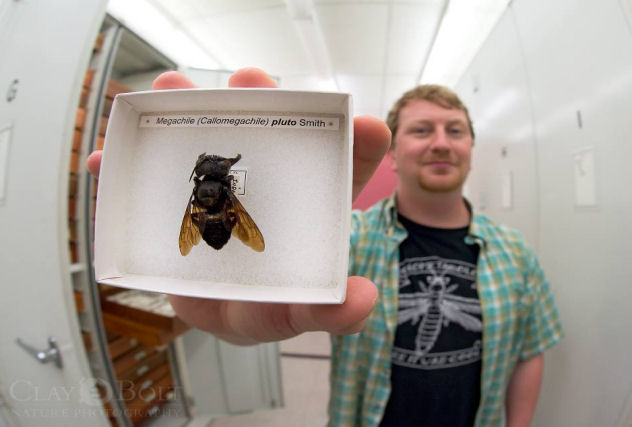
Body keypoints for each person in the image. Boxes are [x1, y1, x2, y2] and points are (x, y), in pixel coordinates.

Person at [87, 68, 563, 427]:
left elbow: (530, 349)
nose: (441, 143)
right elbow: (282, 285)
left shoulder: (516, 252)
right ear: (393, 154)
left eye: (455, 130)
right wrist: (234, 321)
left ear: (471, 147)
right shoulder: (350, 238)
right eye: (421, 130)